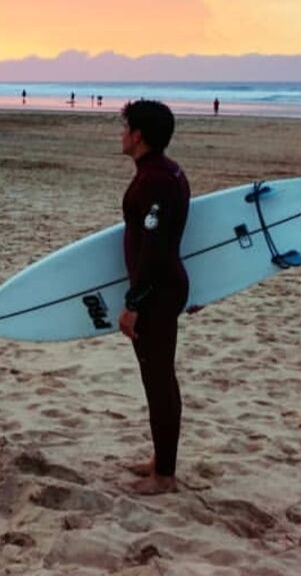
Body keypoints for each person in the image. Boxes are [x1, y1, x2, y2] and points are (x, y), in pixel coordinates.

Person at [117, 99, 191, 495]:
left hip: (156, 295)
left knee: (160, 380)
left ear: (139, 135)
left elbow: (156, 248)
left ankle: (165, 476)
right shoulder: (165, 172)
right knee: (156, 378)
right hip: (165, 289)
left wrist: (133, 303)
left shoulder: (156, 180)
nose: (121, 134)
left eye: (125, 127)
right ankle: (160, 460)